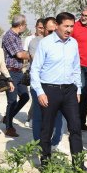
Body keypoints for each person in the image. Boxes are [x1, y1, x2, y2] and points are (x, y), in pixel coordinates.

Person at [30, 12, 87, 170]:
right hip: (49, 90)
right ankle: (46, 163)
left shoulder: (73, 43)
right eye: (66, 26)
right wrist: (40, 92)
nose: (69, 29)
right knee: (47, 128)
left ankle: (78, 165)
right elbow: (35, 70)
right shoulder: (46, 43)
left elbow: (76, 67)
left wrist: (78, 89)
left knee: (75, 127)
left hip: (69, 91)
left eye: (71, 26)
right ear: (57, 25)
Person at [28, 17, 64, 149]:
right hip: (39, 84)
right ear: (42, 29)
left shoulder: (63, 43)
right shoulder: (35, 43)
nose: (53, 33)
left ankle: (55, 142)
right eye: (50, 31)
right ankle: (39, 144)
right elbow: (38, 65)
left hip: (57, 86)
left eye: (56, 30)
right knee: (39, 116)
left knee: (58, 116)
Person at [1, 14, 31, 137]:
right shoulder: (9, 36)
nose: (25, 27)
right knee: (12, 101)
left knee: (25, 97)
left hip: (18, 71)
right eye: (25, 25)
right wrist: (34, 55)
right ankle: (9, 127)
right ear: (20, 25)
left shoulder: (17, 36)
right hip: (11, 72)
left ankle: (8, 117)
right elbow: (19, 54)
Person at [25, 19, 45, 126]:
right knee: (36, 97)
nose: (41, 30)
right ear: (36, 27)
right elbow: (28, 56)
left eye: (43, 28)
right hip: (34, 71)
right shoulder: (31, 40)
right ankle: (31, 117)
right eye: (40, 27)